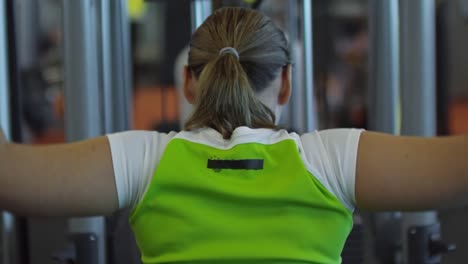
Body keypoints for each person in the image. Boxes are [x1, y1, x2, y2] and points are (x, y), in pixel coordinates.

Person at [0, 7, 467, 264]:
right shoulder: (332, 158)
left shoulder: (141, 159)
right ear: (285, 82)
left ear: (187, 82)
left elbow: (9, 176)